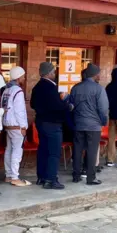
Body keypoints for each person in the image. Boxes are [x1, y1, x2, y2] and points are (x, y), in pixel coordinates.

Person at [31, 62, 72, 190]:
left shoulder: (36, 87)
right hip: (53, 124)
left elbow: (32, 104)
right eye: (53, 72)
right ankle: (51, 180)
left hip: (41, 122)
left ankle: (41, 177)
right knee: (54, 153)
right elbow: (57, 106)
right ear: (49, 73)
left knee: (43, 150)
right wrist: (67, 104)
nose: (54, 74)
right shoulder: (51, 88)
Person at [69, 63, 108, 185]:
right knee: (91, 151)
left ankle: (76, 175)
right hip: (93, 125)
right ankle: (91, 178)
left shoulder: (75, 88)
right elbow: (103, 109)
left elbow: (71, 106)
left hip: (78, 124)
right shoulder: (99, 89)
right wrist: (103, 121)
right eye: (98, 74)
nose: (99, 77)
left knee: (77, 150)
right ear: (95, 75)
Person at [2, 66, 30, 187]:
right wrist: (23, 126)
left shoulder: (6, 90)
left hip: (7, 125)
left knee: (9, 150)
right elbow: (20, 111)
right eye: (23, 76)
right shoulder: (18, 91)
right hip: (16, 125)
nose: (24, 78)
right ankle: (14, 177)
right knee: (17, 151)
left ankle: (8, 175)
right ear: (18, 78)